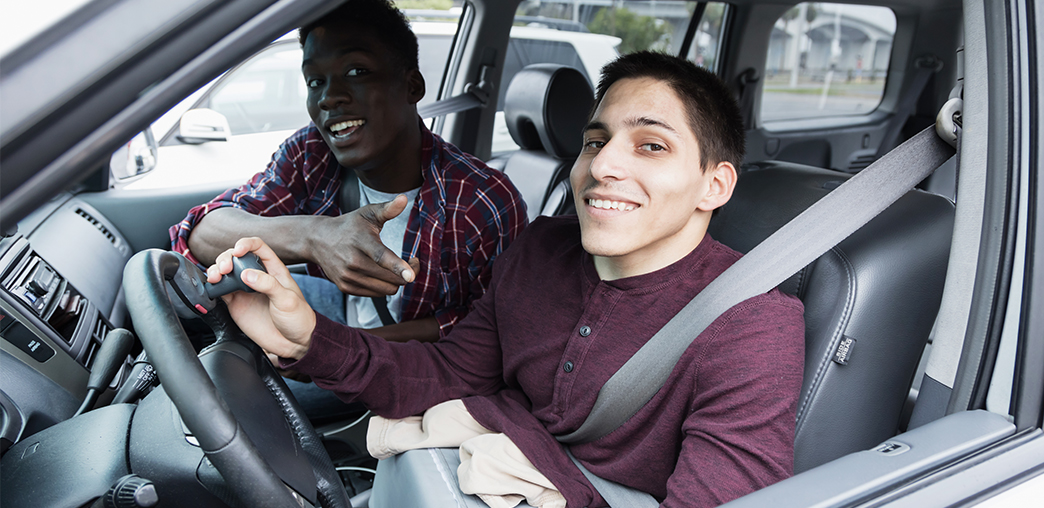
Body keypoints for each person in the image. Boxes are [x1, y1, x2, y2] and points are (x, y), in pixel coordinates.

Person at [209, 52, 805, 508]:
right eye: (595, 142)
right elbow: (446, 374)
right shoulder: (541, 249)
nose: (603, 166)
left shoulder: (752, 325)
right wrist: (306, 338)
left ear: (714, 186)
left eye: (650, 145)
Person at [169, 0, 527, 345]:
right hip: (333, 318)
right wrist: (315, 237)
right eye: (314, 82)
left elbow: (492, 328)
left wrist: (337, 348)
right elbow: (201, 231)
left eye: (356, 71)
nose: (329, 97)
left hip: (413, 365)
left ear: (412, 86)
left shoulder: (483, 199)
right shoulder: (312, 152)